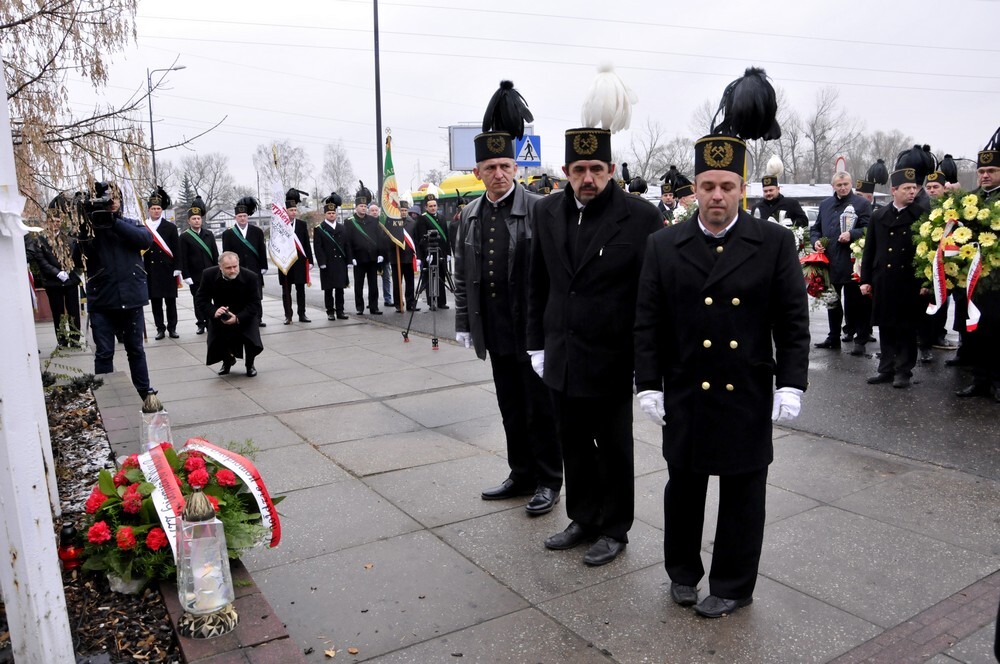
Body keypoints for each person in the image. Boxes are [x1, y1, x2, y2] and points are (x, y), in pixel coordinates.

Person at [634, 67, 810, 619]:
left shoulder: (775, 243)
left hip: (747, 391)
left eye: (727, 186)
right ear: (695, 189)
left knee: (742, 495)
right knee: (683, 490)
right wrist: (648, 385)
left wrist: (793, 384)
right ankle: (682, 573)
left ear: (743, 188)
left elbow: (792, 319)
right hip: (686, 388)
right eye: (707, 186)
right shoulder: (664, 245)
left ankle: (733, 583)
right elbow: (648, 322)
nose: (716, 196)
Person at [527, 95, 662, 566]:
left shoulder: (641, 218)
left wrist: (647, 366)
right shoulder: (546, 213)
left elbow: (651, 298)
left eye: (597, 168)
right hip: (561, 353)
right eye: (579, 168)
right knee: (573, 442)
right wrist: (536, 345)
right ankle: (582, 517)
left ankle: (614, 527)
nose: (588, 178)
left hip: (611, 356)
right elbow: (537, 282)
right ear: (566, 171)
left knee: (614, 446)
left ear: (612, 169)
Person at [454, 80, 563, 516]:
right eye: (490, 167)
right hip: (494, 325)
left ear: (516, 167)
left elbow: (556, 274)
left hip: (531, 327)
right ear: (478, 172)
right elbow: (462, 274)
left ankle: (548, 480)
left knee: (540, 409)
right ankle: (520, 473)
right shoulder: (469, 214)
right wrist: (464, 322)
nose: (499, 173)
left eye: (505, 165)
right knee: (510, 407)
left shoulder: (540, 208)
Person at [78, 181, 154, 399]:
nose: (111, 204)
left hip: (131, 298)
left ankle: (144, 392)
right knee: (104, 352)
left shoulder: (128, 223)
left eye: (115, 200)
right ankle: (105, 396)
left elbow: (145, 239)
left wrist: (114, 222)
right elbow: (77, 257)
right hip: (102, 301)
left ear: (120, 202)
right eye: (106, 201)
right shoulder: (90, 231)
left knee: (136, 350)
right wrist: (87, 226)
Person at [859, 168, 924, 389]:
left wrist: (926, 283)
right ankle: (885, 368)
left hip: (908, 281)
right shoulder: (879, 216)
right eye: (906, 188)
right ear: (894, 190)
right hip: (883, 280)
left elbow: (927, 254)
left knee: (906, 327)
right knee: (885, 326)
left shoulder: (920, 215)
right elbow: (870, 250)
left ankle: (903, 370)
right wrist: (865, 280)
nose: (912, 192)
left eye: (914, 188)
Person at [955, 128, 1000, 402]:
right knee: (976, 331)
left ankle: (997, 381)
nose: (985, 175)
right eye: (982, 171)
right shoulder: (969, 200)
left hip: (997, 279)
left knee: (997, 331)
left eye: (992, 171)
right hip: (972, 280)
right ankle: (979, 380)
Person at [810, 172, 873, 353]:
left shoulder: (862, 204)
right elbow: (815, 229)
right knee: (832, 302)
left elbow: (869, 229)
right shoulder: (825, 205)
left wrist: (852, 234)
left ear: (851, 184)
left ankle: (860, 340)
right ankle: (833, 337)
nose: (843, 187)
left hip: (853, 262)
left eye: (845, 184)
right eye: (839, 185)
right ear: (833, 186)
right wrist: (816, 241)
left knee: (857, 303)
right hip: (830, 262)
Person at [194, 251, 263, 377]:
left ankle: (250, 364)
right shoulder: (209, 274)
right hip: (221, 313)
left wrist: (238, 318)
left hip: (244, 313)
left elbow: (255, 303)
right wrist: (214, 311)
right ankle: (227, 361)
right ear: (220, 267)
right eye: (228, 268)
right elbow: (201, 299)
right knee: (217, 339)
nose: (232, 270)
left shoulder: (250, 276)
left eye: (235, 266)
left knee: (251, 339)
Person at [27, 197, 83, 347]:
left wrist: (72, 272)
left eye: (58, 221)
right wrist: (57, 272)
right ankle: (62, 340)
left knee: (73, 312)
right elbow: (41, 260)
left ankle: (75, 339)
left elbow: (75, 257)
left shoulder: (68, 239)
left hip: (70, 280)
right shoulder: (40, 240)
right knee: (58, 312)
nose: (56, 224)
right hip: (53, 281)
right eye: (52, 221)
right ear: (48, 222)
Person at [221, 196, 267, 327]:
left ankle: (258, 318)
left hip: (254, 268)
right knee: (238, 294)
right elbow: (227, 254)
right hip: (236, 269)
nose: (242, 218)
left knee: (256, 295)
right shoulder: (228, 234)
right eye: (240, 216)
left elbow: (262, 249)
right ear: (235, 217)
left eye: (245, 216)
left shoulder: (257, 231)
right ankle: (239, 317)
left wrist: (263, 265)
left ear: (248, 217)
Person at [143, 187, 180, 339]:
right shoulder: (143, 227)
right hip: (151, 270)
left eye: (158, 208)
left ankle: (172, 328)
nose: (156, 211)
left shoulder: (170, 227)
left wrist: (178, 268)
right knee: (156, 302)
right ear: (149, 209)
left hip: (168, 269)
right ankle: (160, 328)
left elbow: (177, 249)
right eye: (153, 208)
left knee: (170, 302)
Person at [178, 196, 219, 335]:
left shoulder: (209, 234)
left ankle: (212, 321)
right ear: (189, 221)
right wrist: (186, 275)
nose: (196, 221)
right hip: (195, 275)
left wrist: (218, 270)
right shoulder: (184, 237)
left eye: (198, 218)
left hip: (211, 273)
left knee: (213, 298)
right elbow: (183, 258)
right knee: (198, 300)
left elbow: (215, 254)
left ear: (202, 220)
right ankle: (201, 323)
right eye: (193, 219)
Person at [345, 186, 384, 315]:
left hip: (372, 258)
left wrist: (380, 254)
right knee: (359, 284)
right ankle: (360, 307)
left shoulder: (373, 220)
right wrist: (351, 258)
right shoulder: (350, 222)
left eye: (365, 206)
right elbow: (348, 242)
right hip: (359, 258)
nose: (363, 208)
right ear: (356, 207)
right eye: (360, 206)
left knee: (373, 284)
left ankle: (374, 306)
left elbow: (379, 238)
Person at [277, 188, 313, 325]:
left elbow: (306, 244)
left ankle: (302, 314)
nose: (293, 212)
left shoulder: (302, 225)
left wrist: (310, 260)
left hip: (299, 262)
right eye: (290, 210)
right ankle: (288, 315)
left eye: (294, 210)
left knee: (300, 289)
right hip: (285, 262)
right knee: (286, 291)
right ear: (285, 211)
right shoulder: (280, 225)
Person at [314, 193, 350, 320]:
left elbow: (347, 245)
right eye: (329, 213)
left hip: (340, 263)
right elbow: (318, 248)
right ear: (325, 214)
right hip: (327, 263)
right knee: (329, 289)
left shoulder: (342, 228)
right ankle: (330, 311)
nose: (331, 215)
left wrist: (349, 260)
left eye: (333, 213)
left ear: (336, 214)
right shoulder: (319, 229)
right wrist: (321, 262)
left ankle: (340, 311)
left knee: (340, 288)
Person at [418, 193, 451, 309]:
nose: (433, 208)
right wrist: (426, 253)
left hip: (441, 252)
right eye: (430, 206)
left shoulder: (442, 218)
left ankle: (442, 301)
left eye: (434, 205)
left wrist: (448, 253)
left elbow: (446, 236)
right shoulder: (423, 219)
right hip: (430, 253)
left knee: (442, 275)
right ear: (426, 207)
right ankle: (432, 302)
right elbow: (422, 238)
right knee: (430, 277)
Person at [391, 200, 417, 312]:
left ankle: (410, 303)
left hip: (408, 257)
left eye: (405, 210)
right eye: (402, 210)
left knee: (410, 282)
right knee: (397, 283)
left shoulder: (412, 223)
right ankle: (398, 303)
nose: (403, 212)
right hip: (395, 257)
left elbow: (415, 240)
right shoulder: (392, 222)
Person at [370, 202, 394, 309]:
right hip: (371, 256)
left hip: (384, 255)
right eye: (372, 211)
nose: (375, 212)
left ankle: (388, 299)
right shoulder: (366, 223)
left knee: (387, 278)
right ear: (369, 212)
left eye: (376, 210)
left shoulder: (384, 222)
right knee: (372, 280)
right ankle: (372, 301)